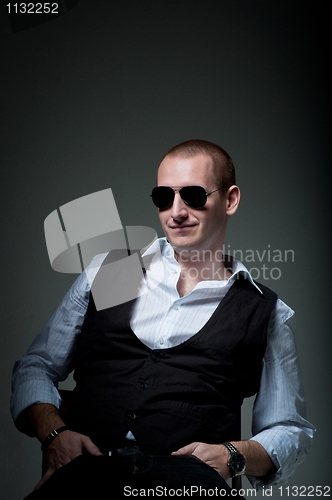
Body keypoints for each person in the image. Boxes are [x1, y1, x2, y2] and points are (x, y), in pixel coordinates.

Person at [11, 140, 315, 498]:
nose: (176, 211)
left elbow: (289, 428)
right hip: (84, 471)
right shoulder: (113, 273)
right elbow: (37, 366)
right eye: (163, 197)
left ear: (230, 199)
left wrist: (233, 455)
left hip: (190, 485)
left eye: (193, 195)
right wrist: (54, 435)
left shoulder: (266, 311)